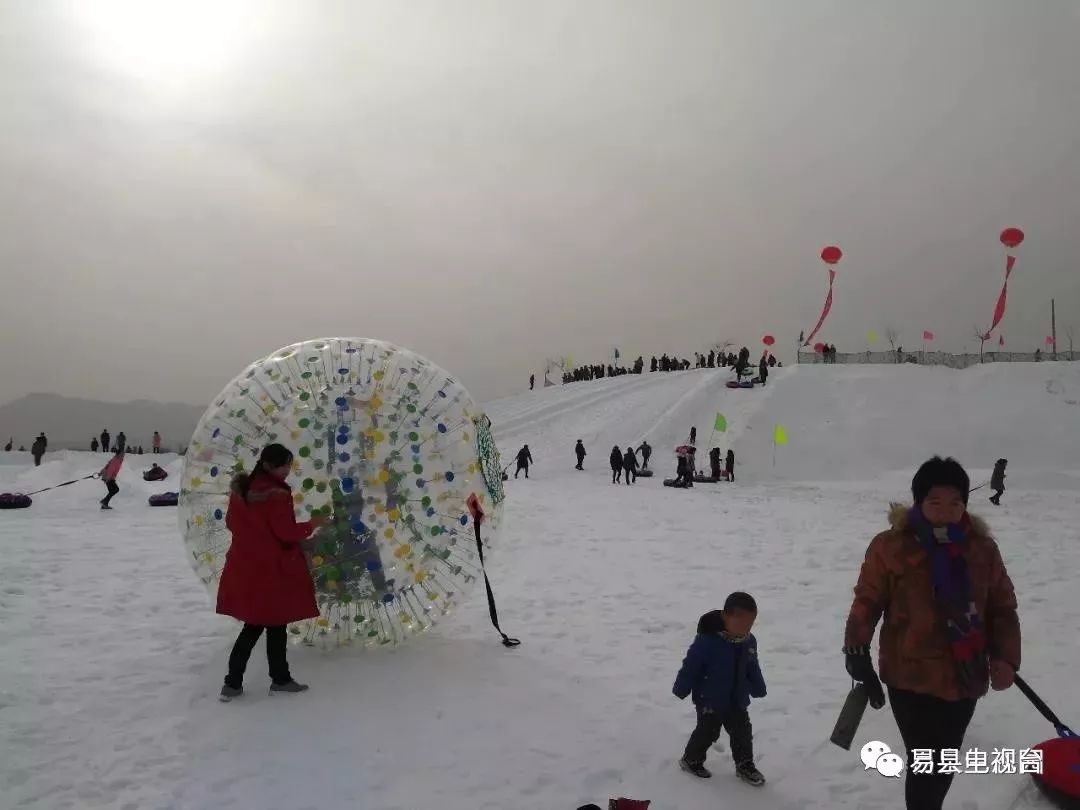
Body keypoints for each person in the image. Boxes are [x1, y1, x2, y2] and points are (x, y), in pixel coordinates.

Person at [843, 457, 1020, 810]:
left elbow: (1001, 607)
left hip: (965, 674)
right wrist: (856, 652)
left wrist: (1005, 657)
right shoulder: (892, 546)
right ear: (919, 502)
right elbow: (868, 600)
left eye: (955, 502)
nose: (946, 511)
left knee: (944, 759)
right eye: (935, 502)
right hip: (909, 674)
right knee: (927, 761)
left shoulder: (981, 549)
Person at [217, 444, 326, 701]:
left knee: (259, 624)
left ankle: (237, 683)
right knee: (269, 624)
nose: (288, 471)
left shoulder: (242, 490)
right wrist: (313, 524)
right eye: (284, 465)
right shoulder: (275, 493)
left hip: (246, 566)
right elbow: (285, 532)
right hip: (271, 569)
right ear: (269, 465)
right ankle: (274, 680)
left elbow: (231, 523)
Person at [674, 592, 767, 786]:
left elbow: (752, 666)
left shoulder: (749, 642)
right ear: (725, 617)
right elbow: (691, 665)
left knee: (742, 730)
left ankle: (745, 764)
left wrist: (758, 686)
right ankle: (692, 759)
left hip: (737, 697)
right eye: (740, 624)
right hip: (709, 698)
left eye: (750, 624)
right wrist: (682, 687)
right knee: (708, 730)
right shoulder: (707, 641)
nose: (745, 629)